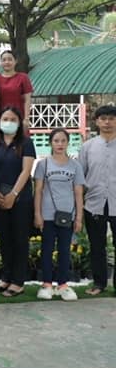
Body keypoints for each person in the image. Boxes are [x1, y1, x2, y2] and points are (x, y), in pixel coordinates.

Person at [0, 106, 36, 298]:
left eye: (13, 119)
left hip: (20, 198)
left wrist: (13, 195)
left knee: (19, 240)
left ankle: (18, 281)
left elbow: (26, 171)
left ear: (19, 122)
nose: (8, 122)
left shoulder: (26, 143)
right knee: (5, 239)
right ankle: (6, 278)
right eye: (5, 118)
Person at [34, 129, 84, 301]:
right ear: (51, 143)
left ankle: (63, 285)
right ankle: (47, 284)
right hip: (48, 215)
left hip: (67, 216)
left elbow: (78, 193)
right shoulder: (43, 165)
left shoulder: (75, 166)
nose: (60, 144)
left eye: (63, 141)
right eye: (56, 141)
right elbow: (38, 191)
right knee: (47, 250)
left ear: (68, 143)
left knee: (64, 251)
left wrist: (78, 217)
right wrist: (38, 214)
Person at [79, 104, 116, 296]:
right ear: (97, 122)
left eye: (111, 118)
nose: (107, 122)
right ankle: (99, 283)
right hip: (94, 203)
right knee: (97, 246)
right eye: (103, 119)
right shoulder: (88, 147)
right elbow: (80, 177)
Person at [0, 50, 33, 132]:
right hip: (1, 117)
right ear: (1, 62)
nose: (7, 62)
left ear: (15, 61)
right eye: (4, 60)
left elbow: (27, 99)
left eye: (10, 59)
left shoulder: (23, 77)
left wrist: (26, 118)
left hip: (18, 116)